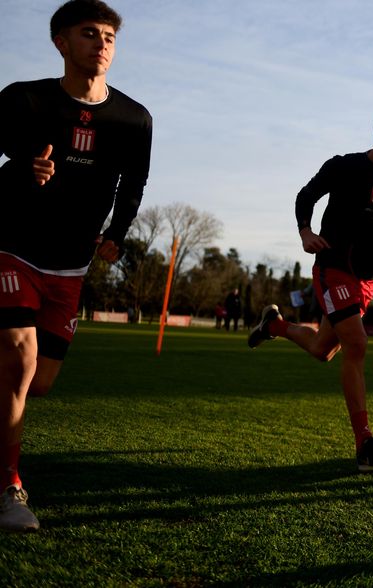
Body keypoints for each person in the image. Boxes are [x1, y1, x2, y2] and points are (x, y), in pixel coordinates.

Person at [0, 0, 152, 532]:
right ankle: (9, 488)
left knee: (36, 383)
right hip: (12, 247)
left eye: (109, 35)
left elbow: (134, 185)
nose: (102, 43)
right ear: (61, 42)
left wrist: (117, 234)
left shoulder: (134, 118)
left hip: (71, 265)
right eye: (90, 33)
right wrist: (18, 172)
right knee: (17, 362)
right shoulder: (23, 100)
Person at [247, 102, 373, 473]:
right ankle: (366, 445)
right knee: (357, 345)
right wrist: (306, 232)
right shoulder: (344, 166)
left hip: (369, 277)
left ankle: (274, 326)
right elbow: (305, 196)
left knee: (323, 349)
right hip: (334, 266)